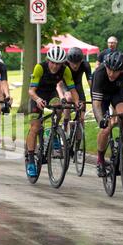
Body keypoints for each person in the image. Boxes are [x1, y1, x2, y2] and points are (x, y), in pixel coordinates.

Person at [25, 45, 76, 177]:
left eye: (58, 64)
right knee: (35, 127)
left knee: (59, 106)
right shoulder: (40, 67)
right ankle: (30, 160)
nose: (55, 66)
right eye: (53, 63)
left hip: (52, 93)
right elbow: (31, 91)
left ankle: (54, 132)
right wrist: (37, 99)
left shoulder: (65, 70)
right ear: (48, 61)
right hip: (38, 95)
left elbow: (73, 89)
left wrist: (77, 103)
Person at [91, 51, 123, 177]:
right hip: (102, 97)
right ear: (106, 66)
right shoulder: (99, 73)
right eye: (109, 70)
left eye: (116, 71)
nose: (112, 74)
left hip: (117, 94)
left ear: (122, 70)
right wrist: (101, 119)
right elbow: (96, 103)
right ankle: (100, 160)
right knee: (105, 128)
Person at [66, 47, 92, 124]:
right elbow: (59, 83)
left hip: (77, 85)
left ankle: (80, 131)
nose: (75, 66)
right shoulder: (64, 64)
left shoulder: (85, 64)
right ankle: (66, 121)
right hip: (65, 85)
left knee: (81, 116)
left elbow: (90, 82)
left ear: (81, 61)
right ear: (68, 61)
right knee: (68, 99)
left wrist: (94, 95)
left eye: (77, 63)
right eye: (73, 63)